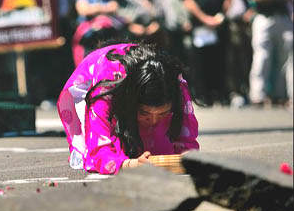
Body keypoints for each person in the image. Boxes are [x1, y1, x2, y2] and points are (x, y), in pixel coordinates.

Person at [57, 42, 199, 175]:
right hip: (95, 80)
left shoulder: (177, 85)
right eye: (145, 113)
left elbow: (187, 144)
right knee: (95, 154)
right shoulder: (106, 86)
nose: (154, 121)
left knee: (161, 150)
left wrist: (188, 156)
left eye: (162, 113)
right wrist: (130, 165)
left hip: (139, 80)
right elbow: (100, 151)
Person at [180, 0, 232, 106]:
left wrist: (220, 16)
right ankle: (204, 95)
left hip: (219, 25)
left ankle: (221, 94)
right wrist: (205, 19)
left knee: (220, 61)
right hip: (200, 26)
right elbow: (187, 0)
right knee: (200, 63)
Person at [247, 0, 293, 107]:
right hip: (264, 17)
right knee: (262, 58)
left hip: (284, 17)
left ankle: (279, 95)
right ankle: (257, 95)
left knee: (286, 59)